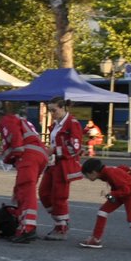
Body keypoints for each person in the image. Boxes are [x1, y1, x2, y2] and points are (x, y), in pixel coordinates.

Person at [0, 102, 48, 242]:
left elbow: (16, 142)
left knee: (26, 190)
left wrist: (12, 155)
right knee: (21, 190)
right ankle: (23, 223)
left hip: (28, 156)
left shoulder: (6, 120)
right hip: (39, 155)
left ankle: (28, 228)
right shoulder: (22, 121)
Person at [79, 159, 131, 251]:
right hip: (119, 192)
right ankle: (96, 239)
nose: (86, 177)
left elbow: (126, 190)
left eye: (86, 175)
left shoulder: (110, 173)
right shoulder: (105, 172)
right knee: (102, 212)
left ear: (93, 172)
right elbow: (120, 168)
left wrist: (110, 194)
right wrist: (130, 170)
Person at [39, 96, 83, 240]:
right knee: (44, 193)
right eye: (50, 111)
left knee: (59, 196)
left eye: (54, 110)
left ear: (63, 108)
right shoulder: (57, 124)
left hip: (63, 165)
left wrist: (54, 150)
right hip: (52, 164)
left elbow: (75, 148)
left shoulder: (72, 124)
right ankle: (60, 220)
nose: (52, 114)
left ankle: (61, 226)